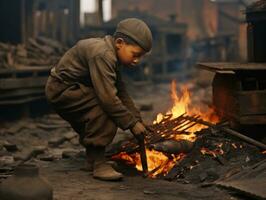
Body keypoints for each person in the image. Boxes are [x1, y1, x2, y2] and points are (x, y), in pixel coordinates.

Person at [45, 18, 152, 181]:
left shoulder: (111, 54)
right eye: (135, 54)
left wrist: (136, 119)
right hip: (62, 90)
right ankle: (100, 164)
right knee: (106, 110)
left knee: (109, 106)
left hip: (76, 89)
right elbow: (109, 99)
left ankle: (92, 160)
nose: (137, 60)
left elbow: (121, 91)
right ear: (120, 43)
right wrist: (130, 123)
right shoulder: (103, 54)